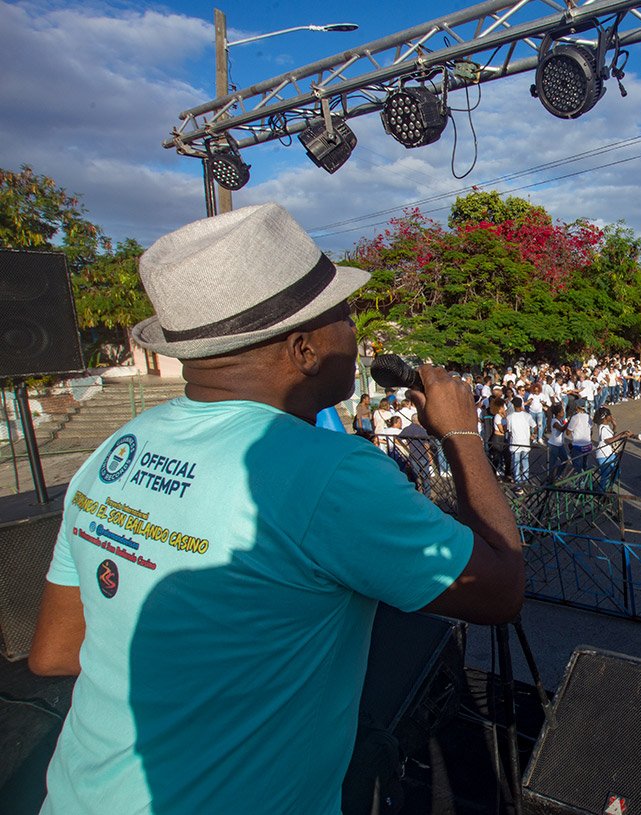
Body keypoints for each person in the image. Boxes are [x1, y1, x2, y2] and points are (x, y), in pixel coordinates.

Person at [27, 203, 523, 815]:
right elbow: (499, 589)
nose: (357, 333)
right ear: (305, 349)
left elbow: (54, 652)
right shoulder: (330, 472)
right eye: (346, 316)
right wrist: (463, 436)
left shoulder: (118, 448)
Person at [593, 406, 631, 492]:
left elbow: (611, 436)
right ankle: (601, 491)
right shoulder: (602, 427)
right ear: (606, 417)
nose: (612, 416)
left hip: (610, 453)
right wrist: (621, 434)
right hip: (603, 455)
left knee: (617, 471)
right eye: (610, 415)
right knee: (605, 474)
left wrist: (614, 426)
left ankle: (607, 487)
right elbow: (608, 440)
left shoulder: (606, 426)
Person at [505, 395, 537, 491]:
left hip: (515, 443)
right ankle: (526, 482)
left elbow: (509, 430)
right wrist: (533, 435)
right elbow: (535, 427)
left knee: (516, 464)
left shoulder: (509, 417)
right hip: (525, 442)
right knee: (525, 462)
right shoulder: (527, 416)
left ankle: (518, 484)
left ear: (514, 406)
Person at [566, 399, 593, 472]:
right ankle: (584, 480)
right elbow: (591, 430)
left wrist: (568, 423)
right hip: (588, 445)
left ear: (577, 407)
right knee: (584, 464)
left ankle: (579, 481)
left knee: (577, 467)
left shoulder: (575, 417)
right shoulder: (589, 416)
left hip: (578, 446)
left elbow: (568, 432)